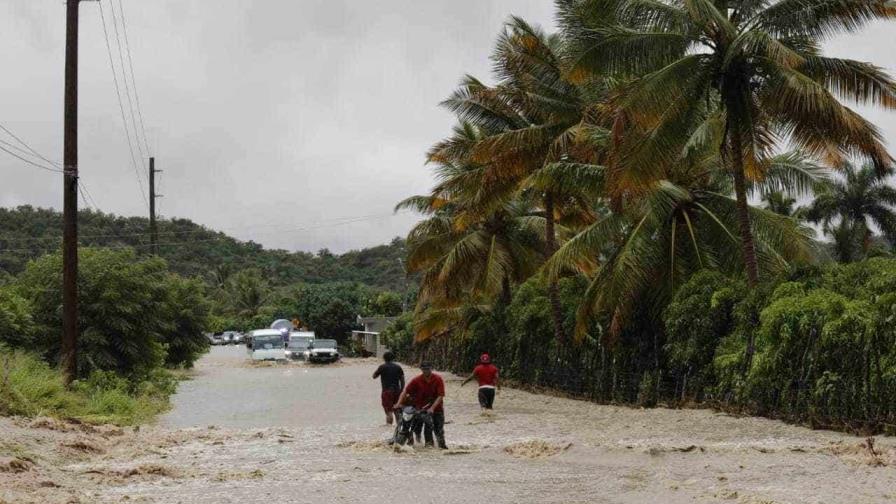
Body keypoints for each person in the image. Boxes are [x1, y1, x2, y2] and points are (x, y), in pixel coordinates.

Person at [394, 362, 446, 449]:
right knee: (416, 428)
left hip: (436, 409)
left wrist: (432, 408)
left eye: (428, 369)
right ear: (421, 369)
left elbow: (440, 395)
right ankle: (418, 443)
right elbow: (405, 392)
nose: (426, 371)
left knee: (438, 430)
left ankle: (441, 447)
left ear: (431, 368)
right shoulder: (416, 380)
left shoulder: (438, 379)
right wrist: (398, 404)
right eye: (424, 369)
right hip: (420, 409)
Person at [372, 351, 404, 425]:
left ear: (384, 358)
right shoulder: (398, 367)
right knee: (397, 410)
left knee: (388, 411)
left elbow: (374, 376)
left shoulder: (382, 367)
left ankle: (388, 427)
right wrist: (402, 390)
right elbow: (402, 380)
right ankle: (399, 428)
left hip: (387, 391)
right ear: (393, 358)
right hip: (397, 391)